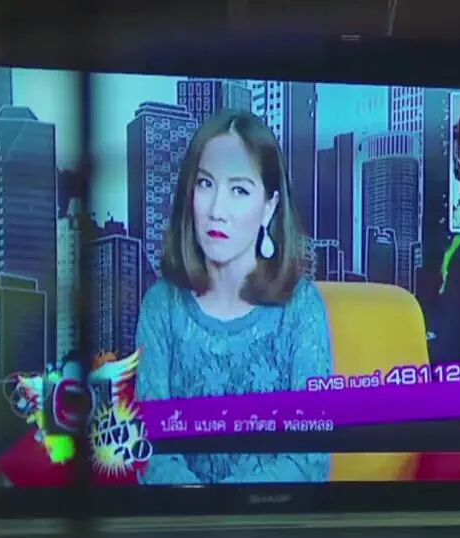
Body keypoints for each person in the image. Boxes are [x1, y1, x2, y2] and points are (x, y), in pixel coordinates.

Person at [135, 109, 332, 485]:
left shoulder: (302, 308)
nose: (216, 211)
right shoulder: (161, 306)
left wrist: (230, 508)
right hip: (181, 519)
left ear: (269, 207)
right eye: (205, 184)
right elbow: (151, 451)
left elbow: (308, 459)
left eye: (239, 190)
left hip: (275, 517)